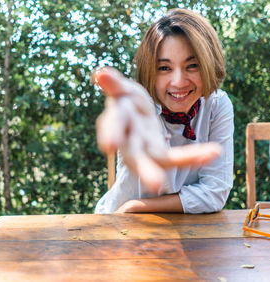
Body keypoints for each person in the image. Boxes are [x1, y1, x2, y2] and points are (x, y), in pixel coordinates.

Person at [93, 8, 234, 214]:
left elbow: (215, 193)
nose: (178, 82)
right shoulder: (141, 104)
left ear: (208, 65)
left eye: (192, 65)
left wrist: (135, 206)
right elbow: (130, 107)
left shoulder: (217, 105)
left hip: (181, 230)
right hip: (117, 222)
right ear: (150, 70)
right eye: (164, 68)